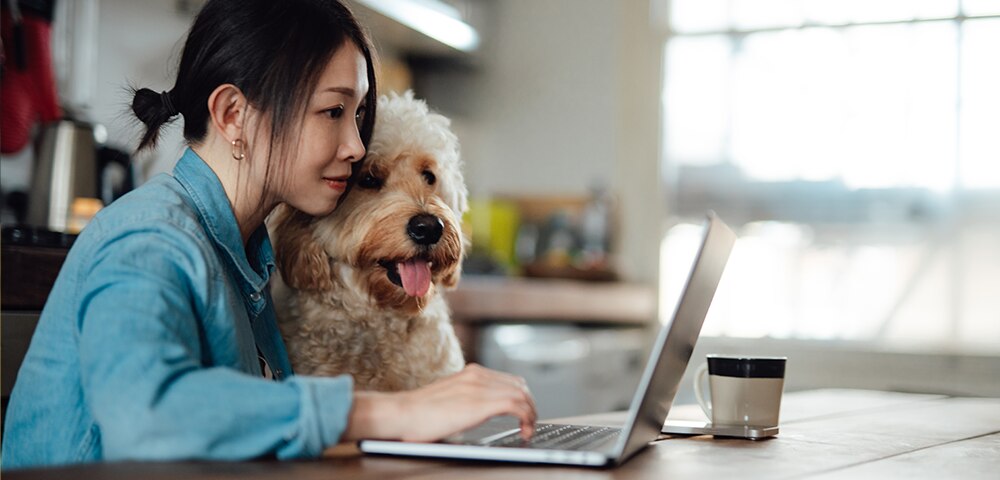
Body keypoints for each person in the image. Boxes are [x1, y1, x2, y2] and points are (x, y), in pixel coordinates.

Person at [1, 0, 536, 469]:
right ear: (234, 114)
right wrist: (392, 410)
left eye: (359, 115)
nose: (354, 145)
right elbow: (145, 416)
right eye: (333, 111)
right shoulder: (150, 240)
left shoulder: (245, 255)